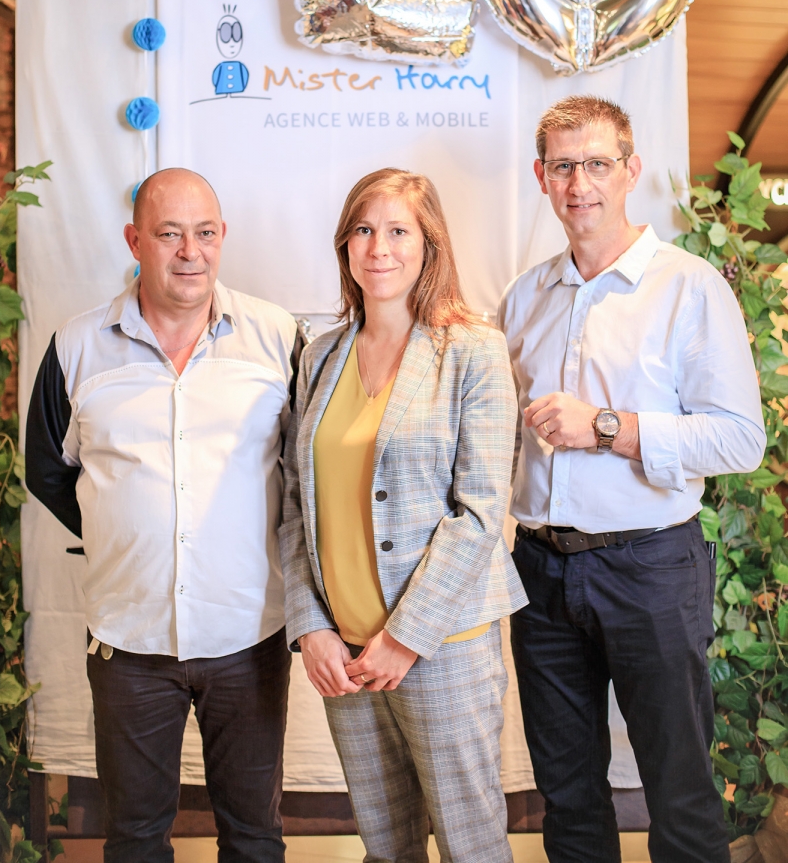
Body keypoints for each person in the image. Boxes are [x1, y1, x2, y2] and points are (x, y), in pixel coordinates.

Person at [498, 95, 766, 863]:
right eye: (563, 166)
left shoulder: (689, 287)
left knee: (678, 792)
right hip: (539, 571)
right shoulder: (523, 298)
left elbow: (740, 439)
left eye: (597, 163)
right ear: (542, 178)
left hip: (651, 566)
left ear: (631, 170)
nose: (579, 182)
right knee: (568, 795)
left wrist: (607, 427)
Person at [25, 168, 303, 863]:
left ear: (222, 236)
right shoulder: (76, 346)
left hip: (249, 635)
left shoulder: (276, 337)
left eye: (204, 233)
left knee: (255, 838)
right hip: (129, 642)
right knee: (135, 841)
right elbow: (48, 471)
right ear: (134, 241)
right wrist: (123, 532)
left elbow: (305, 472)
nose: (190, 251)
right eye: (169, 233)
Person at [279, 167, 526, 863]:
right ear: (344, 245)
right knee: (386, 848)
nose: (378, 247)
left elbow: (481, 511)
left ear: (429, 245)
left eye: (397, 231)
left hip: (443, 645)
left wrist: (405, 636)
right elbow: (296, 504)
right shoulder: (320, 356)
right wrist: (310, 627)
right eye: (363, 230)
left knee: (470, 846)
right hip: (345, 655)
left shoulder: (474, 350)